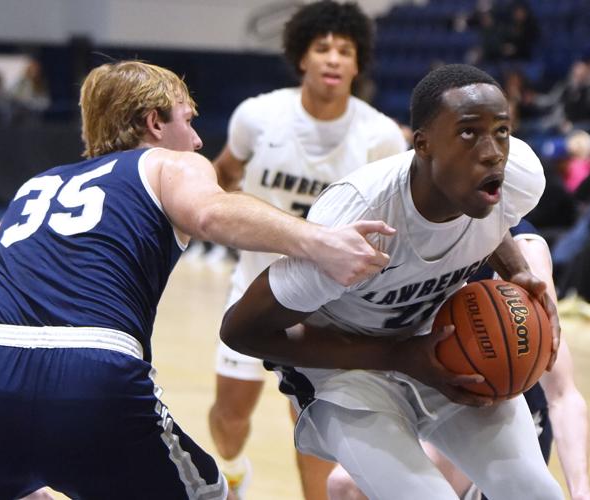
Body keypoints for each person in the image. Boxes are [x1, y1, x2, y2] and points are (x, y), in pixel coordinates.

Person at [0, 60, 395, 499]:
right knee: (207, 491)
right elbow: (211, 212)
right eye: (188, 120)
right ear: (153, 122)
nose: (198, 140)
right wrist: (321, 242)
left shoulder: (33, 187)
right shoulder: (166, 163)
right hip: (92, 370)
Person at [220, 64, 564, 499]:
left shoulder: (518, 177)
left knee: (536, 493)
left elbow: (495, 219)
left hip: (438, 346)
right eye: (468, 133)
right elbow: (239, 330)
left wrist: (516, 270)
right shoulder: (360, 221)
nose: (493, 150)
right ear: (422, 144)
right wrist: (398, 355)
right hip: (345, 374)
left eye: (501, 131)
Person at [207, 1, 407, 498]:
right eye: (322, 48)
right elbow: (221, 175)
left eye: (345, 50)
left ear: (358, 64)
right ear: (302, 57)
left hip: (327, 306)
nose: (334, 59)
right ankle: (231, 472)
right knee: (229, 420)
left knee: (317, 439)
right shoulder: (257, 116)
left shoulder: (379, 134)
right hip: (253, 287)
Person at [326, 219, 590, 500]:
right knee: (345, 484)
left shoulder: (523, 252)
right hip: (419, 391)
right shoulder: (402, 221)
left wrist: (581, 491)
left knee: (349, 485)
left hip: (494, 411)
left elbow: (562, 393)